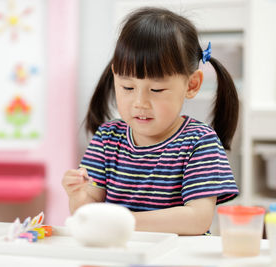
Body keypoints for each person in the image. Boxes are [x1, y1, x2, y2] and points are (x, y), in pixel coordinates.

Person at [62, 7, 239, 235]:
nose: (140, 102)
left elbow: (198, 219)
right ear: (115, 76)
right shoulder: (107, 139)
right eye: (127, 87)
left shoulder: (199, 142)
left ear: (192, 85)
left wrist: (122, 220)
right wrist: (78, 196)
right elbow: (87, 214)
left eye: (156, 89)